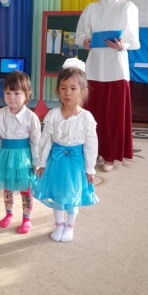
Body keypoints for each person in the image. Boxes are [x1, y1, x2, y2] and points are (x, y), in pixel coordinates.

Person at [75, 0, 140, 172]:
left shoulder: (127, 7)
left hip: (116, 70)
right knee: (92, 114)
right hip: (94, 69)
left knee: (113, 116)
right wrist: (84, 41)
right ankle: (91, 152)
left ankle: (110, 156)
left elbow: (134, 41)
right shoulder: (91, 8)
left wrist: (123, 45)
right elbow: (79, 35)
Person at [32, 58, 98, 243]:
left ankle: (69, 226)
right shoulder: (53, 115)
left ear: (83, 91)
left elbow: (91, 145)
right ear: (58, 90)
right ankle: (59, 224)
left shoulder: (86, 117)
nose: (67, 93)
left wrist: (89, 168)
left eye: (73, 88)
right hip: (56, 161)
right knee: (57, 194)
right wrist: (41, 163)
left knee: (72, 195)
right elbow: (45, 141)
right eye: (63, 88)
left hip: (76, 163)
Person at [0, 71, 41, 234]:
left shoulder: (31, 117)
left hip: (24, 157)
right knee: (8, 188)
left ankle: (27, 219)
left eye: (17, 93)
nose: (11, 97)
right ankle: (8, 214)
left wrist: (36, 163)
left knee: (25, 189)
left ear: (27, 94)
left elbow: (36, 142)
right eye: (7, 93)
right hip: (5, 156)